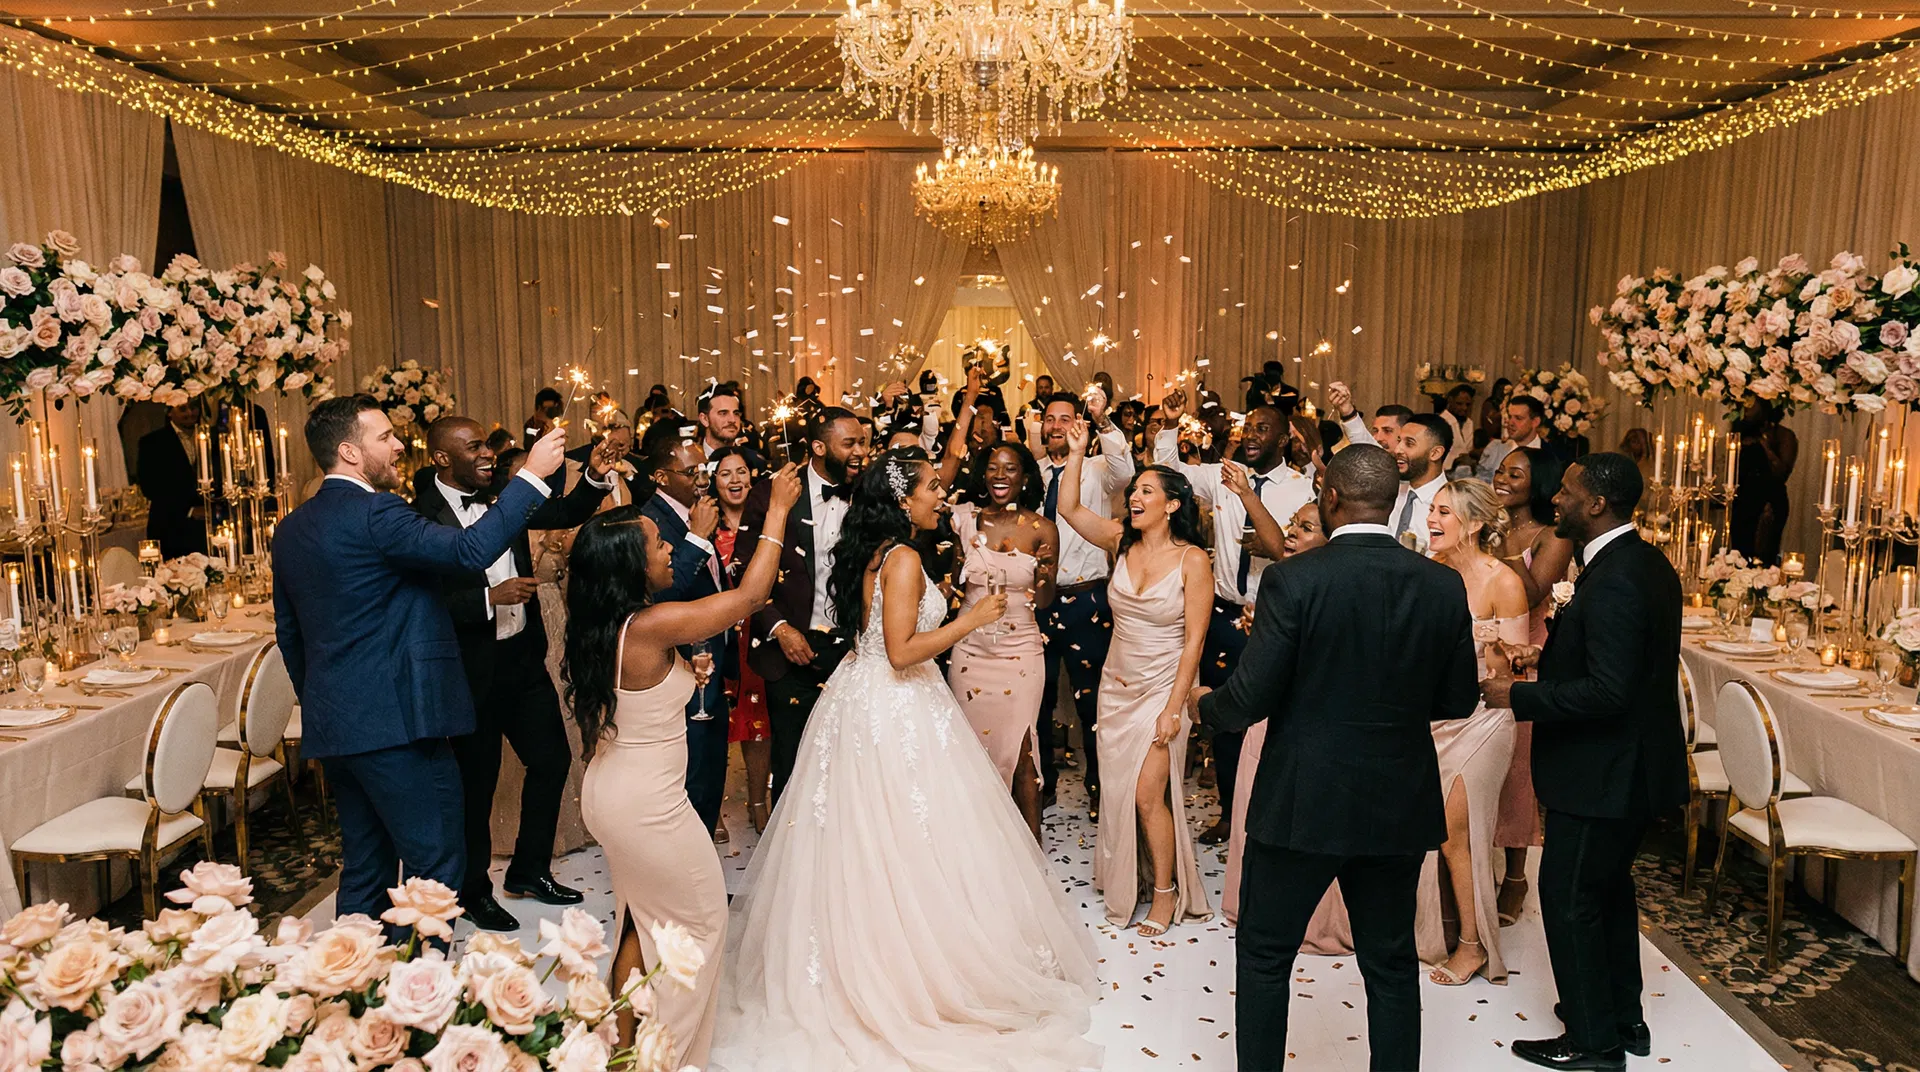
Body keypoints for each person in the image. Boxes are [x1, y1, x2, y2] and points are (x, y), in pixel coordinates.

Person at [712, 451, 1101, 1072]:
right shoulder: (904, 558)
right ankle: (903, 972)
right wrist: (970, 618)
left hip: (862, 700)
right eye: (929, 488)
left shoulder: (879, 554)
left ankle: (864, 954)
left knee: (874, 838)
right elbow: (899, 652)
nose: (939, 498)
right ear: (900, 501)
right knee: (903, 835)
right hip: (893, 702)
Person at [1189, 444, 1480, 1072]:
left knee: (1267, 955)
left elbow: (1251, 696)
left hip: (1303, 799)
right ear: (1398, 501)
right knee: (1392, 961)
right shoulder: (1441, 584)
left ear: (1329, 497)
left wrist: (1203, 709)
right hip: (1397, 799)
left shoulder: (1296, 579)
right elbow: (1458, 697)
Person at [273, 395, 568, 932]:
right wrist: (530, 475)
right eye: (384, 437)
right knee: (435, 866)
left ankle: (356, 992)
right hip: (400, 726)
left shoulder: (292, 528)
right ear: (349, 451)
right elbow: (469, 552)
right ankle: (419, 998)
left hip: (338, 724)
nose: (398, 444)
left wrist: (329, 701)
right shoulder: (377, 512)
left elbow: (290, 637)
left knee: (366, 866)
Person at [564, 463, 801, 1069]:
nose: (669, 546)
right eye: (657, 544)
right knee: (697, 927)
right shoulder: (651, 624)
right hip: (648, 804)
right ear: (631, 567)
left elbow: (631, 701)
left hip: (614, 791)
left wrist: (677, 680)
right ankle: (665, 1059)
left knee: (638, 925)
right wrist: (775, 510)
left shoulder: (608, 626)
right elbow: (748, 599)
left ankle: (619, 1052)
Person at [1480, 453, 1687, 1072]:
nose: (1557, 500)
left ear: (1597, 504)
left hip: (1605, 772)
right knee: (1608, 893)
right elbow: (1611, 666)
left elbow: (1610, 692)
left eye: (1568, 492)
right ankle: (1625, 1018)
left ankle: (1594, 1043)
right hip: (1626, 766)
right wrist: (1543, 661)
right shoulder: (1640, 562)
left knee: (1568, 897)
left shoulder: (1618, 576)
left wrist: (1516, 695)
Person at [415, 416, 618, 931]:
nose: (488, 453)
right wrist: (488, 597)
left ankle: (529, 870)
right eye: (474, 446)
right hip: (470, 671)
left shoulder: (506, 494)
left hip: (522, 661)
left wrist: (593, 475)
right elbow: (425, 599)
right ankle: (474, 891)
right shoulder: (422, 516)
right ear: (442, 458)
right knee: (476, 786)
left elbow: (566, 510)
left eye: (486, 444)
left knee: (552, 761)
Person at [1055, 419, 1216, 935]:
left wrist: (1175, 708)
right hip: (1116, 687)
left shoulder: (1193, 561)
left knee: (1149, 793)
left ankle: (1166, 894)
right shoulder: (1120, 542)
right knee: (1122, 791)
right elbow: (1069, 509)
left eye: (1147, 490)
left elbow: (1195, 641)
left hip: (1162, 687)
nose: (1135, 496)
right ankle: (1136, 876)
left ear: (1172, 504)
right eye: (1135, 490)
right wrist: (1079, 451)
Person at [1153, 388, 1310, 846]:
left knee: (1271, 719)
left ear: (1284, 440)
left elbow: (1290, 547)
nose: (1252, 436)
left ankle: (1267, 811)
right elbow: (1172, 474)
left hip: (1276, 618)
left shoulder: (1301, 489)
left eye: (1264, 429)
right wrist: (1170, 424)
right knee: (1220, 715)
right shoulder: (1223, 477)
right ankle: (1228, 810)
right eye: (1249, 428)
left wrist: (1275, 542)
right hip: (1224, 612)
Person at [1420, 479, 1526, 986]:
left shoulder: (1501, 581)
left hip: (1483, 720)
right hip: (1432, 718)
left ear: (1477, 524)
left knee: (1455, 833)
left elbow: (1513, 675)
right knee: (1431, 833)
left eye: (1445, 512)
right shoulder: (1429, 573)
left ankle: (1474, 945)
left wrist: (1498, 652)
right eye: (1433, 510)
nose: (1432, 519)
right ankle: (1433, 930)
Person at [736, 406, 871, 804]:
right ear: (817, 447)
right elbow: (745, 570)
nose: (860, 451)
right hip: (789, 648)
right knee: (793, 764)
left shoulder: (867, 493)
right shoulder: (771, 493)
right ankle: (790, 858)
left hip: (855, 652)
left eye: (862, 441)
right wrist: (779, 629)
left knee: (852, 762)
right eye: (849, 443)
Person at [942, 434, 1058, 841]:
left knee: (1024, 751)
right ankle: (976, 844)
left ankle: (1029, 848)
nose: (999, 475)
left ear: (1025, 477)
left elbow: (1043, 601)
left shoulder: (1043, 529)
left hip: (1021, 651)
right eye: (992, 468)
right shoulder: (965, 520)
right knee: (970, 749)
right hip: (971, 652)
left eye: (1010, 468)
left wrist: (1042, 573)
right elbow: (955, 583)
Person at [1222, 498, 1326, 925]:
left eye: (1305, 528)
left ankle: (1303, 916)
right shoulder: (1278, 580)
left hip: (1299, 717)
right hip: (1266, 713)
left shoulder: (1320, 586)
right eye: (1292, 523)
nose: (1291, 533)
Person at [1030, 386, 1134, 813]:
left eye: (1065, 419)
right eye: (1049, 419)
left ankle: (1097, 785)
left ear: (1078, 425)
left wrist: (1103, 420)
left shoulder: (1096, 468)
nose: (1055, 426)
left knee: (1092, 699)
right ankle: (1041, 782)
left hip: (1087, 598)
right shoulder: (1029, 472)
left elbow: (1125, 471)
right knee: (1039, 695)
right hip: (1035, 600)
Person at [1491, 446, 1576, 923]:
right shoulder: (1490, 524)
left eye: (1515, 473)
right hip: (1482, 650)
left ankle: (1517, 874)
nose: (1502, 478)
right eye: (1502, 469)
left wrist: (1500, 542)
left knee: (1516, 766)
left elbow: (1529, 594)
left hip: (1529, 655)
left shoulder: (1553, 535)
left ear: (1538, 483)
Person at [639, 430, 731, 835]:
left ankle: (703, 878)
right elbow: (659, 595)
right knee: (689, 778)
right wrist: (696, 537)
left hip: (710, 659)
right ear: (661, 477)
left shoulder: (702, 511)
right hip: (679, 667)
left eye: (704, 469)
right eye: (691, 471)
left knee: (711, 774)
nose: (702, 478)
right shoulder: (648, 522)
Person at [711, 446, 775, 834]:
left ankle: (757, 803)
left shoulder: (767, 524)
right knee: (715, 723)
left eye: (741, 472)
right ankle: (710, 804)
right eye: (725, 474)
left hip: (758, 631)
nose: (735, 480)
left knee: (758, 722)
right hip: (717, 634)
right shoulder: (704, 525)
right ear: (713, 482)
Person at [1728, 399, 1798, 564]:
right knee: (1739, 555)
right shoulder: (1740, 433)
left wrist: (1764, 445)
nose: (1745, 407)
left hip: (1769, 503)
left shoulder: (1783, 435)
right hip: (1742, 501)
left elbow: (1782, 473)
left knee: (1764, 556)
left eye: (1750, 402)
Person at [137, 401, 210, 557]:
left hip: (207, 530)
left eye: (194, 407)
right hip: (171, 528)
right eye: (183, 408)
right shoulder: (152, 443)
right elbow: (150, 488)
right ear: (169, 412)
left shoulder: (211, 437)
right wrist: (189, 510)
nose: (190, 413)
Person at [1388, 413, 1452, 553]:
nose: (1397, 449)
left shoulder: (1452, 505)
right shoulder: (1391, 490)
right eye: (1399, 441)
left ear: (1435, 453)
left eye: (1409, 443)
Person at [1478, 392, 1547, 481]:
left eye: (1518, 418)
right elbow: (1480, 486)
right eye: (1510, 416)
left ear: (1535, 422)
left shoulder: (1549, 455)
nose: (1510, 423)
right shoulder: (1496, 449)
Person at [1329, 381, 1413, 450]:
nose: (1378, 438)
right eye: (1375, 431)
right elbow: (1364, 442)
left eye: (1387, 431)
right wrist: (1347, 411)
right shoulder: (1376, 463)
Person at [699, 385, 746, 457]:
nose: (732, 420)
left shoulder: (753, 461)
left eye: (736, 413)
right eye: (723, 413)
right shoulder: (689, 459)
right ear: (705, 419)